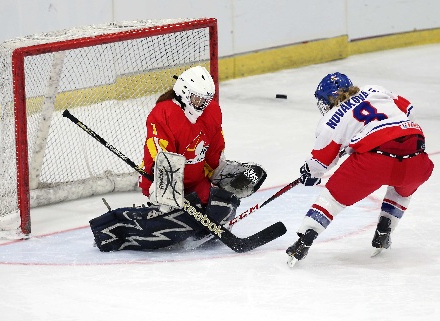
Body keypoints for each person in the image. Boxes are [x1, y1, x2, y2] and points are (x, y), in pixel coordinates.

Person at [90, 66, 267, 252]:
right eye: (198, 99)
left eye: (207, 100)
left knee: (221, 204)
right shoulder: (164, 113)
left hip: (196, 179)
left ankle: (195, 225)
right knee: (177, 218)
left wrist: (225, 175)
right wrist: (170, 191)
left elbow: (214, 155)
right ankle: (118, 227)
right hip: (161, 179)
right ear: (184, 93)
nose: (203, 105)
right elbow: (160, 156)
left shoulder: (212, 112)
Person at [286, 72, 434, 267]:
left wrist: (309, 173)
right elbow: (409, 109)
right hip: (417, 156)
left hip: (374, 162)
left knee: (332, 199)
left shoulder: (331, 119)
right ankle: (384, 230)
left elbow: (319, 163)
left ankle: (303, 241)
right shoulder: (375, 90)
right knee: (401, 187)